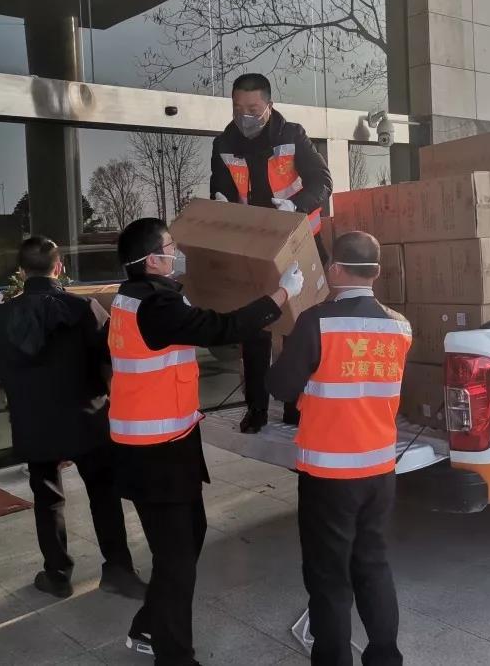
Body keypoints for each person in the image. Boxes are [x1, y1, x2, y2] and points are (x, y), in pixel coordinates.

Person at [111, 217, 304, 666]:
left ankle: (149, 625)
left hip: (164, 442)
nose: (176, 252)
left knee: (188, 537)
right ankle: (174, 656)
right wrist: (282, 294)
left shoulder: (136, 296)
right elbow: (221, 329)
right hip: (156, 451)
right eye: (169, 246)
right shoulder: (155, 305)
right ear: (151, 260)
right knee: (176, 558)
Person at [266, 231, 411, 666]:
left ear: (334, 269)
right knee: (373, 565)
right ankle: (385, 658)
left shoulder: (316, 322)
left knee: (329, 578)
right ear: (376, 273)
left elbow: (281, 387)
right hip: (380, 470)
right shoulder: (400, 326)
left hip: (329, 475)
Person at [0, 236, 145, 600]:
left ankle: (57, 574)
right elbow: (113, 355)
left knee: (47, 498)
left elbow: (0, 369)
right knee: (103, 494)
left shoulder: (0, 317)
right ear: (58, 267)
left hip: (33, 422)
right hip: (86, 417)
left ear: (22, 271)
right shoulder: (84, 308)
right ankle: (118, 570)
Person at [210, 72, 332, 434]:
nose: (244, 115)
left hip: (297, 243)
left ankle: (295, 406)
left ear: (269, 105)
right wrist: (220, 201)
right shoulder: (223, 142)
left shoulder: (292, 135)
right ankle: (257, 408)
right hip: (253, 248)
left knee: (298, 329)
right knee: (255, 329)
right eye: (238, 108)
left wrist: (295, 206)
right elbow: (220, 185)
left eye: (252, 108)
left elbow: (322, 181)